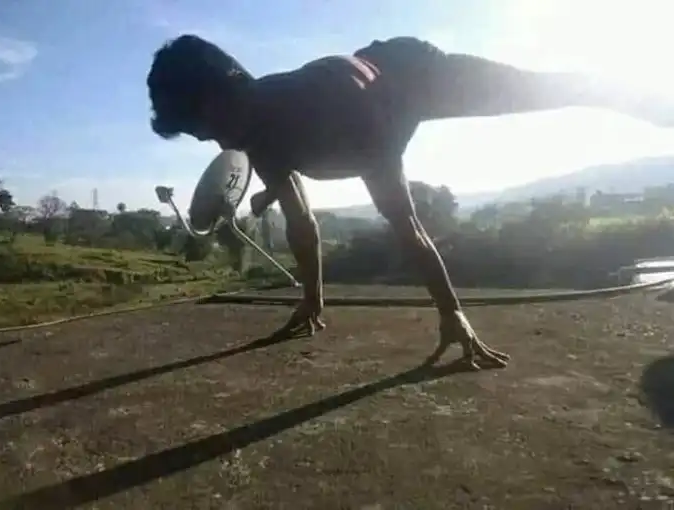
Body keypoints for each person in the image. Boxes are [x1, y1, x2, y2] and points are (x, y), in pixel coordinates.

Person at [146, 34, 672, 370]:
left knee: (534, 91)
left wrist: (452, 313)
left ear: (232, 85)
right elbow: (301, 224)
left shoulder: (324, 110)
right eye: (201, 136)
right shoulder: (255, 137)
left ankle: (641, 96)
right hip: (358, 99)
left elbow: (407, 225)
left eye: (210, 124)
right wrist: (311, 301)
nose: (219, 143)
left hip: (413, 76)